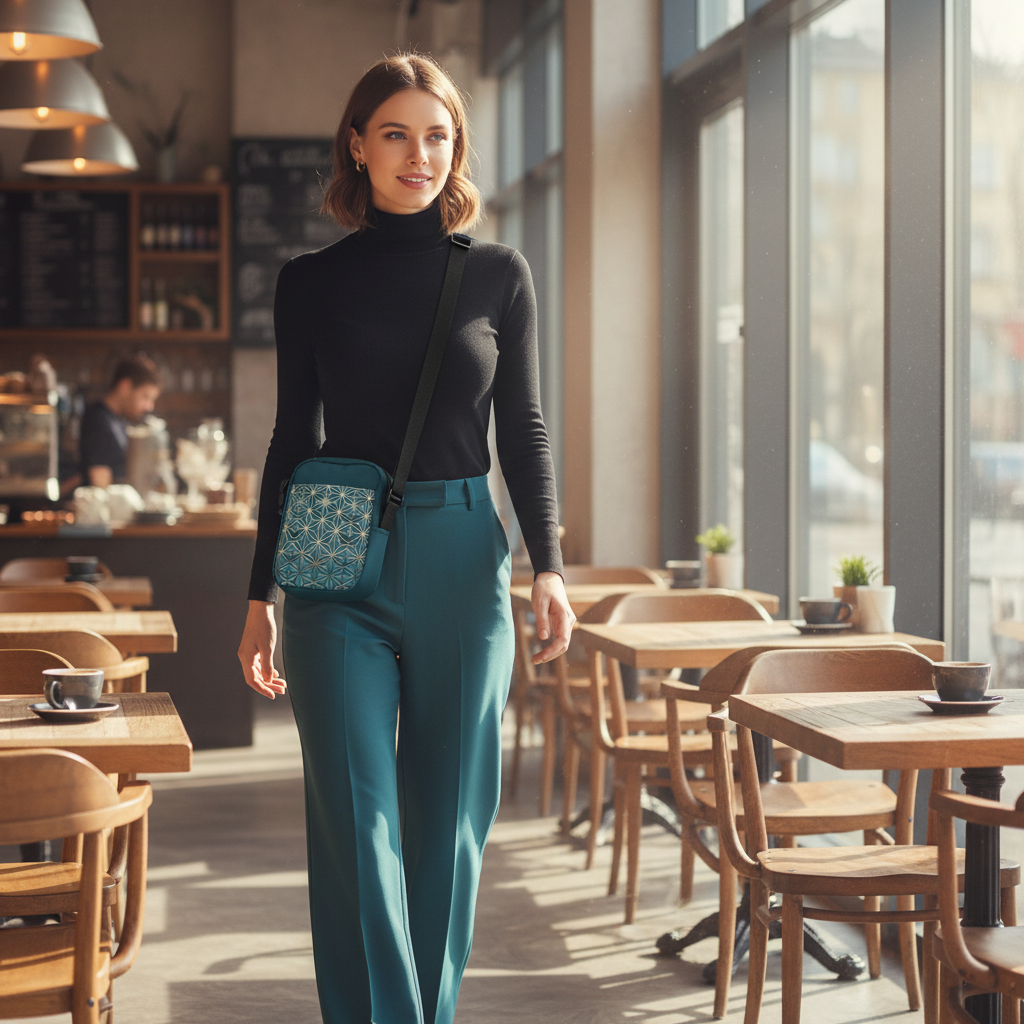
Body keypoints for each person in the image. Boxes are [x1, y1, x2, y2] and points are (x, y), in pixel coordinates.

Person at [238, 53, 573, 1024]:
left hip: (466, 559)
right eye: (395, 132)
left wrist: (548, 565)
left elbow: (526, 431)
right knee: (356, 820)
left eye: (436, 135)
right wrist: (259, 593)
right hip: (334, 562)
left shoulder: (500, 275)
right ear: (357, 144)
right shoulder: (308, 283)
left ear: (454, 147)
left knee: (448, 831)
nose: (418, 153)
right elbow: (290, 439)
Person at [79, 355, 161, 487]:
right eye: (145, 397)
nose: (149, 406)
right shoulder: (98, 420)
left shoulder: (120, 420)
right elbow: (100, 483)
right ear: (125, 386)